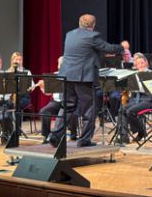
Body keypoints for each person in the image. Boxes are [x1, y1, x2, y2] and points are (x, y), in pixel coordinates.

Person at [48, 14, 123, 148]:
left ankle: (55, 135)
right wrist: (122, 48)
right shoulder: (92, 36)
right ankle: (84, 140)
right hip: (83, 77)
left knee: (67, 106)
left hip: (67, 75)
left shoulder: (70, 35)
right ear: (93, 25)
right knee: (89, 109)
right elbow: (108, 48)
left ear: (79, 23)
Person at [38, 56, 78, 143]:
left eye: (61, 65)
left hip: (68, 103)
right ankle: (46, 136)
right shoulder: (54, 75)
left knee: (73, 113)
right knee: (44, 111)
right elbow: (48, 93)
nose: (59, 67)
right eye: (59, 64)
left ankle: (73, 135)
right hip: (56, 102)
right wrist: (42, 87)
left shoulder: (72, 75)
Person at [119, 53, 152, 143]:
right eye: (138, 64)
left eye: (142, 63)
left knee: (130, 111)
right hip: (137, 98)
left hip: (149, 99)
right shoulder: (134, 74)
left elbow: (150, 89)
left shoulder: (151, 74)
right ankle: (124, 136)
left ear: (146, 63)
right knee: (122, 110)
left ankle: (141, 131)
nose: (140, 65)